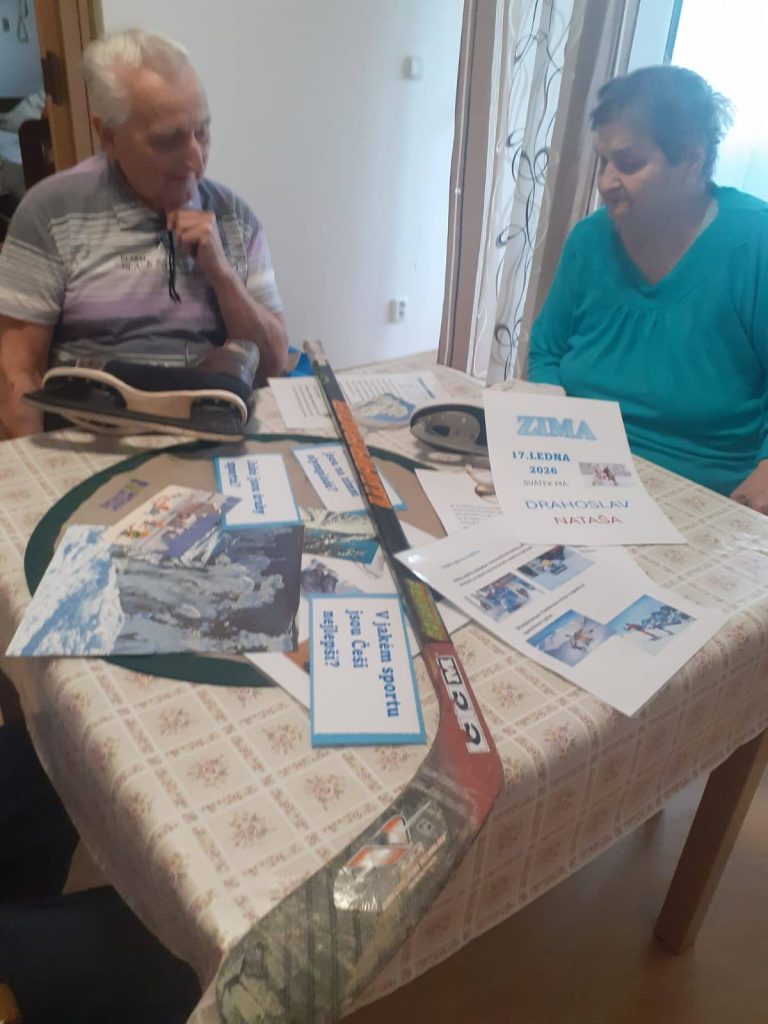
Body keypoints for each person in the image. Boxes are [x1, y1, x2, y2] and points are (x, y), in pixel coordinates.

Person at [0, 28, 289, 438]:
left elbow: (273, 364)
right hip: (94, 437)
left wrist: (222, 275)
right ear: (109, 135)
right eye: (169, 140)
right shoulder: (50, 213)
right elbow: (17, 375)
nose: (195, 158)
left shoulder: (235, 217)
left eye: (202, 132)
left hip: (210, 433)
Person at [528, 66, 768, 513]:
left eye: (629, 163)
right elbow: (546, 350)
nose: (605, 182)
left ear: (692, 158)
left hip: (702, 493)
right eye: (603, 161)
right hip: (577, 474)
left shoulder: (755, 242)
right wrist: (545, 414)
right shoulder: (589, 240)